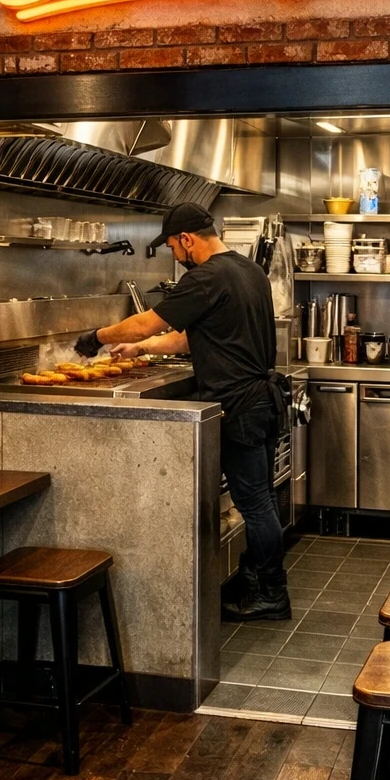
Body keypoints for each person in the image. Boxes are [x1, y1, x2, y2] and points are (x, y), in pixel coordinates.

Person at [74, 202, 290, 622]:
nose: (174, 253)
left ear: (187, 239)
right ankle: (256, 581)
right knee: (261, 498)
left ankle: (272, 594)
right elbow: (188, 338)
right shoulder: (248, 271)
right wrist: (139, 348)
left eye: (173, 245)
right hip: (261, 401)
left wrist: (97, 336)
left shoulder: (206, 277)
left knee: (255, 503)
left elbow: (146, 322)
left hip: (241, 405)